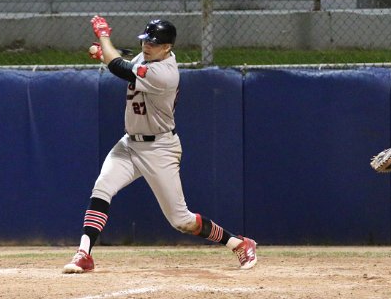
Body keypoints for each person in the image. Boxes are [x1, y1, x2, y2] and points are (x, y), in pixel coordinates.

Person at [63, 15, 258, 273]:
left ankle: (239, 243)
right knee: (102, 188)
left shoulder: (165, 73)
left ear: (167, 47)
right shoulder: (147, 58)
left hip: (159, 149)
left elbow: (120, 68)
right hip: (129, 144)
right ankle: (84, 253)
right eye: (146, 40)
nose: (147, 45)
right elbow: (123, 64)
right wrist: (104, 54)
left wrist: (104, 38)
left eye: (154, 43)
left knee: (182, 220)